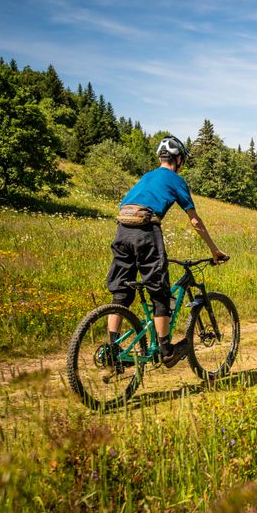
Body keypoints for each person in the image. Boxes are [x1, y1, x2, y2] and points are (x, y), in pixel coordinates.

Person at [106, 135, 227, 369]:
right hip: (146, 231)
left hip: (122, 232)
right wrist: (214, 250)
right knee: (159, 292)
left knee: (121, 292)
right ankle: (165, 349)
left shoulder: (146, 176)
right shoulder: (176, 180)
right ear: (178, 159)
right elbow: (195, 221)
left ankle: (112, 347)